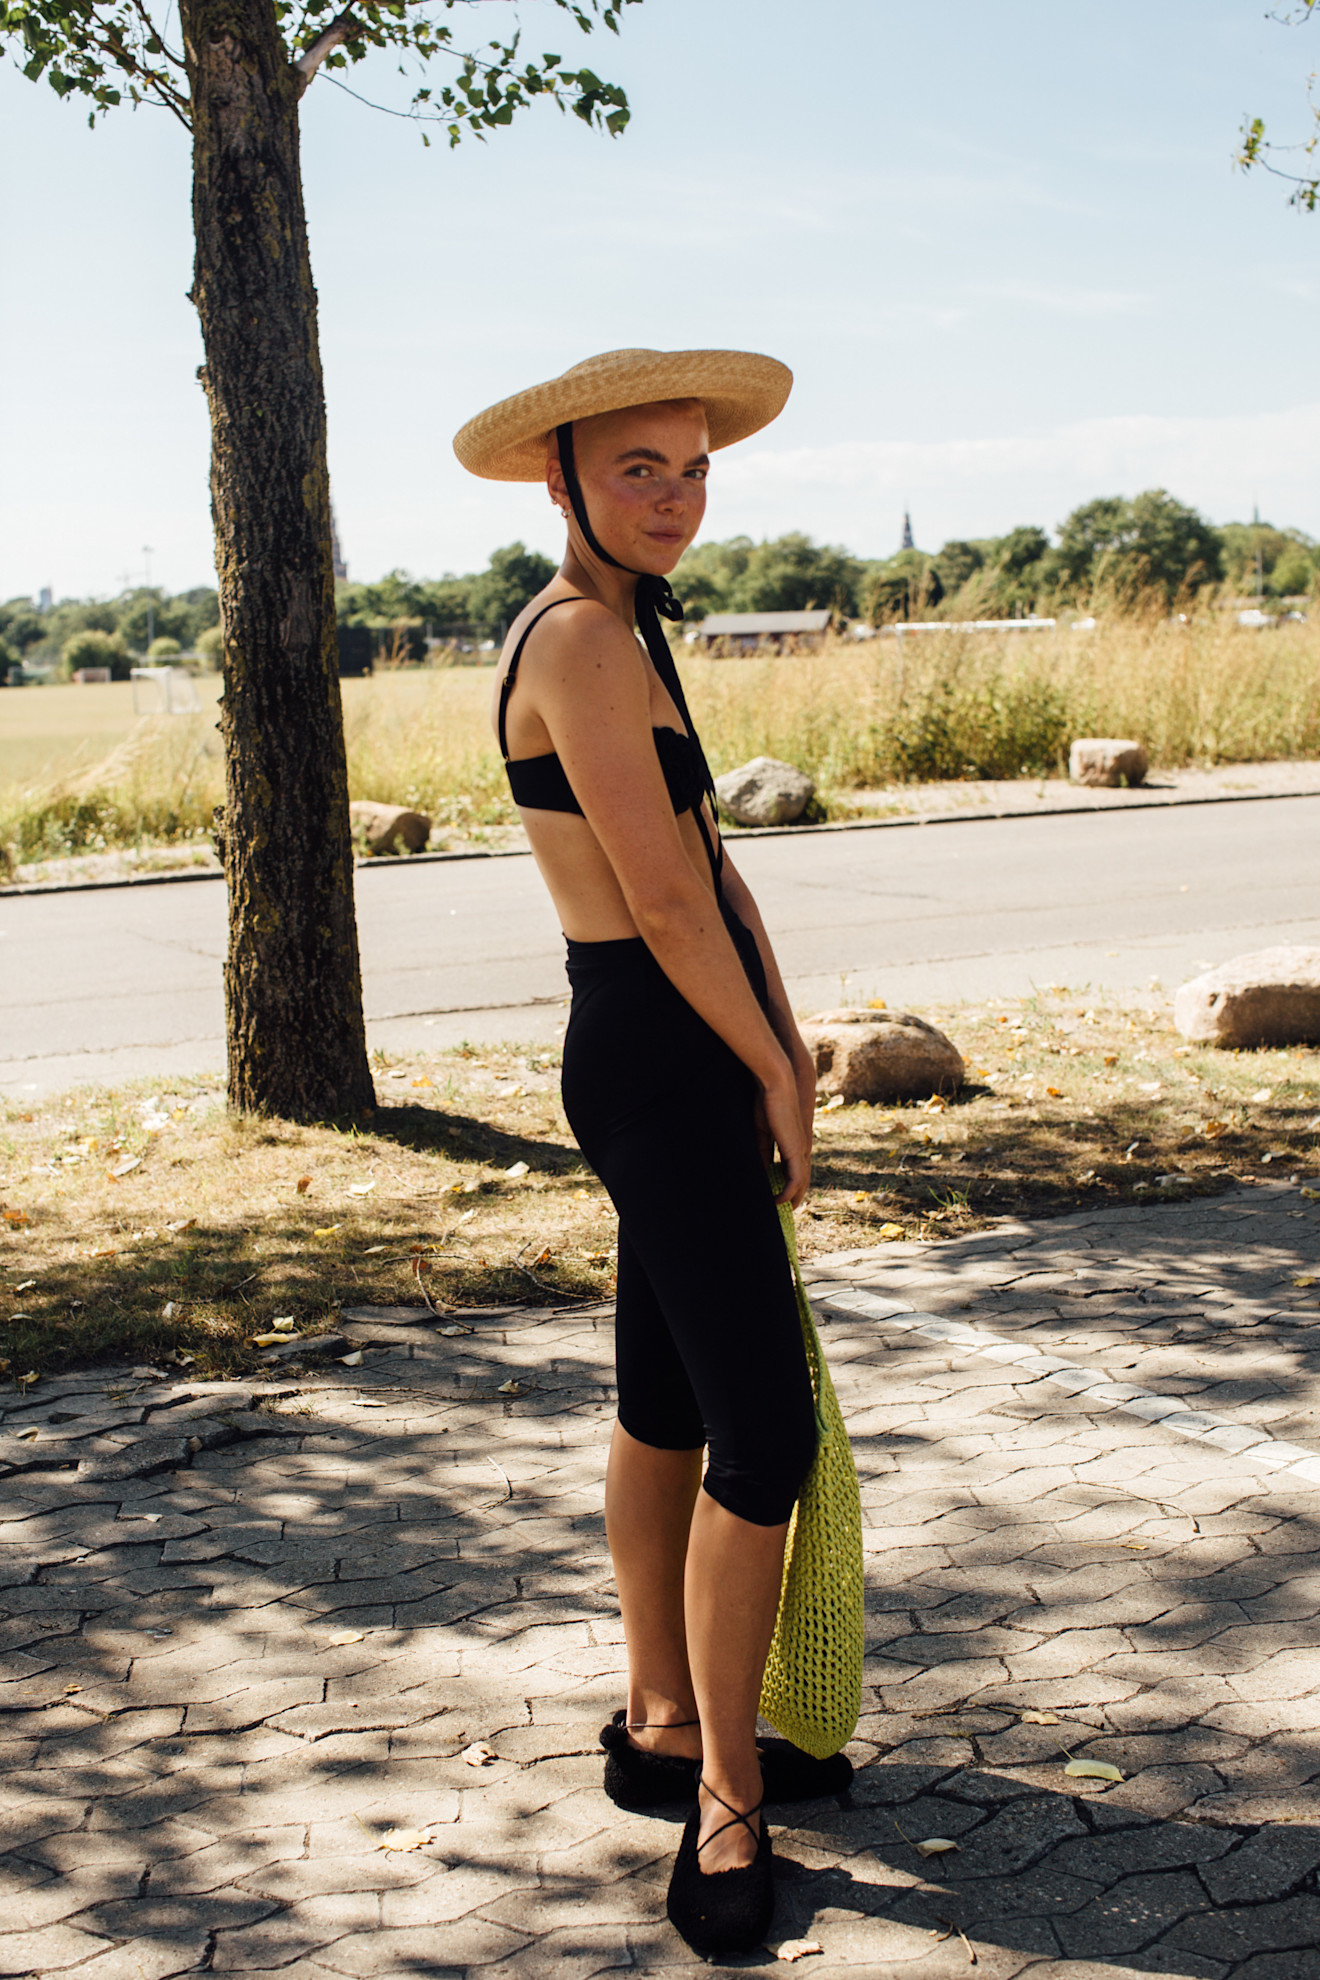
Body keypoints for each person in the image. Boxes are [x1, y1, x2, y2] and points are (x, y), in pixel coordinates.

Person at [453, 349, 851, 1958]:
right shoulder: (583, 639)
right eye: (640, 469)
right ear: (562, 482)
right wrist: (772, 1068)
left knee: (667, 1401)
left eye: (692, 469)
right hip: (656, 1045)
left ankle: (663, 1717)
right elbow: (664, 905)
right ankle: (729, 1803)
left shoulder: (629, 628)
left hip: (684, 1030)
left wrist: (783, 1014)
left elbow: (712, 864)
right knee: (765, 1442)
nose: (677, 496)